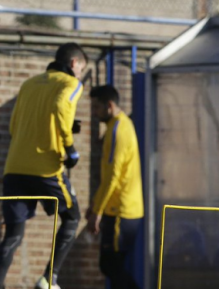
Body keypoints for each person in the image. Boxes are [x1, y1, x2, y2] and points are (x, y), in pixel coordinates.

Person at [0, 43, 87, 289]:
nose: (81, 74)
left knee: (13, 234)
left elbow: (13, 126)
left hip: (14, 167)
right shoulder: (71, 84)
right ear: (74, 64)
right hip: (46, 168)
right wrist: (69, 148)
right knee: (72, 217)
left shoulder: (28, 84)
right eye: (82, 69)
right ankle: (49, 279)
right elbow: (60, 106)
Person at [85, 85, 143, 289]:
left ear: (110, 106)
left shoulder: (118, 130)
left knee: (111, 264)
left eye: (97, 108)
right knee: (111, 265)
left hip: (121, 211)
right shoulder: (118, 126)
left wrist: (97, 211)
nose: (94, 113)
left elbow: (112, 176)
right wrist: (95, 204)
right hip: (119, 208)